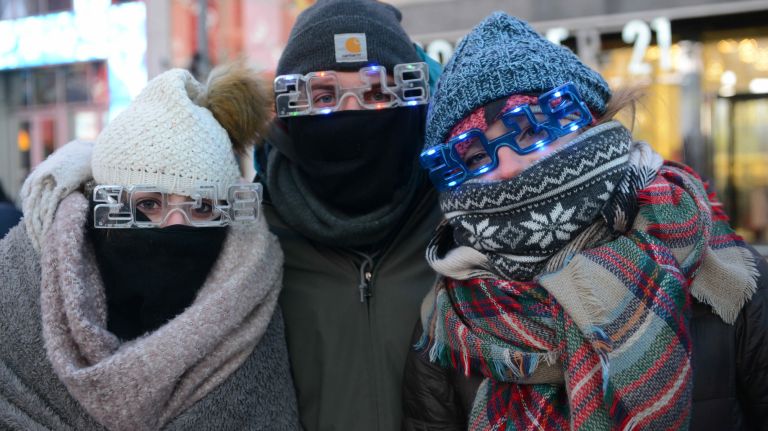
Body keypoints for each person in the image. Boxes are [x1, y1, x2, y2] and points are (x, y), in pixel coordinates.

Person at [403, 12, 768, 431]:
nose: (505, 166)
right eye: (475, 157)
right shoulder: (450, 320)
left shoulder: (721, 276)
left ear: (588, 122)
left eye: (527, 131)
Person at [0, 65, 300, 430]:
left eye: (201, 208)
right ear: (102, 205)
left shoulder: (252, 313)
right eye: (148, 205)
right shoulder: (18, 287)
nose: (175, 225)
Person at [257, 1, 442, 429]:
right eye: (324, 96)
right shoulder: (254, 246)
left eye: (378, 93)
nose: (351, 112)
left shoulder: (462, 224)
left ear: (414, 98)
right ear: (289, 112)